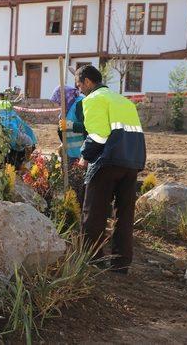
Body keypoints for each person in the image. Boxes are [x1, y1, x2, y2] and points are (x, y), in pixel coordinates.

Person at [75, 65, 146, 274]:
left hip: (107, 163)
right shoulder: (124, 101)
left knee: (93, 214)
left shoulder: (93, 99)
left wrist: (84, 157)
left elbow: (98, 135)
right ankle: (121, 264)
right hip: (132, 162)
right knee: (125, 215)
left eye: (79, 85)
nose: (79, 89)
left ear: (88, 82)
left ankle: (92, 260)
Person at [49, 86, 86, 161]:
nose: (60, 104)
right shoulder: (66, 108)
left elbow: (86, 127)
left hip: (81, 154)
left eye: (60, 101)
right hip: (68, 153)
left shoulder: (79, 104)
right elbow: (62, 128)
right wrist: (63, 143)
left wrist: (70, 125)